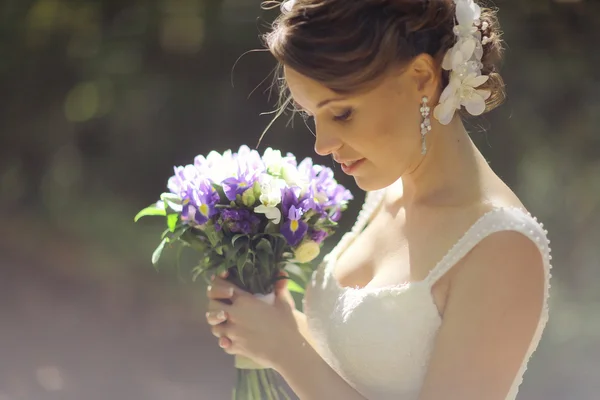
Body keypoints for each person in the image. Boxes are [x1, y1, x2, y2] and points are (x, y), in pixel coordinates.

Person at [205, 0, 552, 399]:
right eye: (311, 116)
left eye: (343, 113)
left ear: (421, 76)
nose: (322, 145)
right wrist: (273, 321)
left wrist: (285, 350)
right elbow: (357, 371)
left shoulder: (502, 247)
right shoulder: (387, 195)